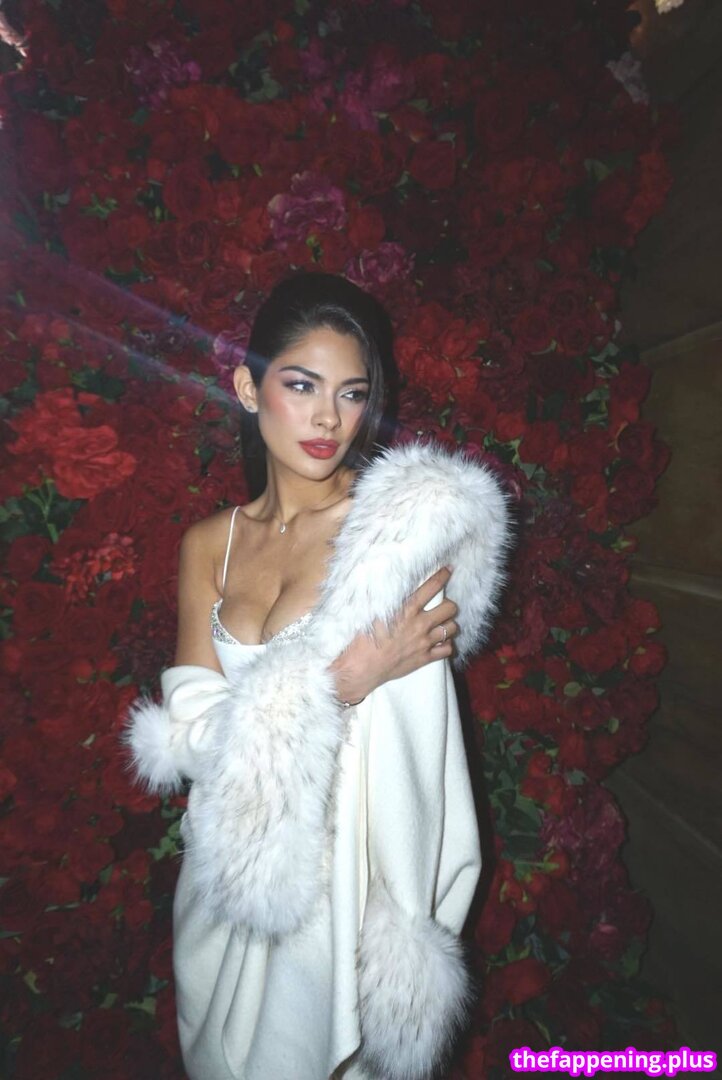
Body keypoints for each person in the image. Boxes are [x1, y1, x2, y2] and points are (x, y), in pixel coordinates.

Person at [123, 271, 512, 1080]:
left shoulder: (397, 542)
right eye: (301, 385)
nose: (329, 418)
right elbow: (187, 738)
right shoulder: (208, 545)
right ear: (248, 388)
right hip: (227, 882)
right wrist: (339, 681)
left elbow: (422, 771)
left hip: (343, 895)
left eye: (352, 393)